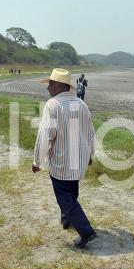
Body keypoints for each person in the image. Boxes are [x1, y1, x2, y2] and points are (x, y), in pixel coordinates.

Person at [32, 68, 97, 249]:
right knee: (71, 189)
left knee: (64, 196)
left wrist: (37, 160)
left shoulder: (53, 105)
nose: (48, 88)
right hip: (78, 157)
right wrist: (91, 153)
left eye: (51, 84)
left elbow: (45, 134)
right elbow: (90, 132)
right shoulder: (81, 104)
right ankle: (67, 219)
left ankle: (85, 230)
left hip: (61, 159)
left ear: (60, 85)